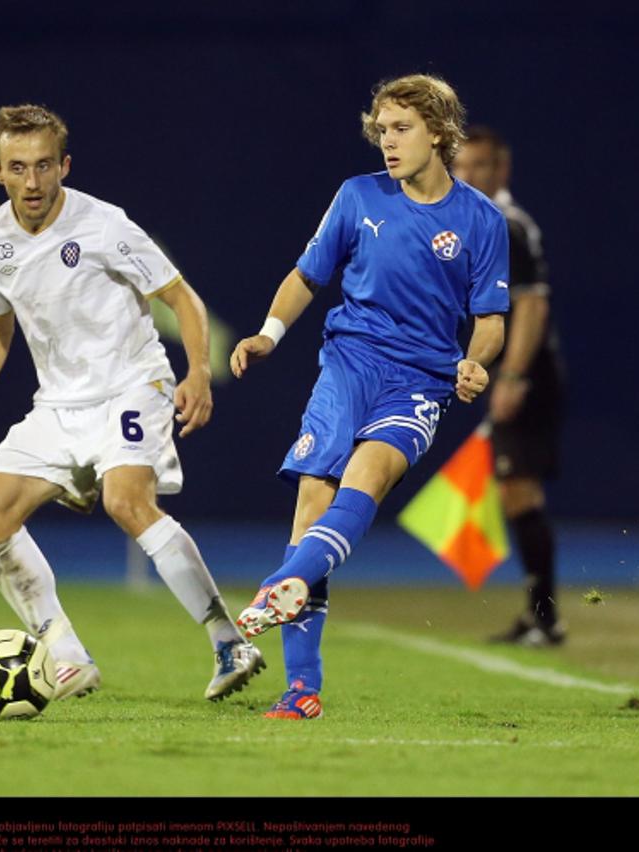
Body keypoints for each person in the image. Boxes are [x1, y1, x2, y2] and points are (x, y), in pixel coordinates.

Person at [0, 104, 264, 703]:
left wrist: (197, 372)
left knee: (125, 500)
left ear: (64, 166)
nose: (32, 182)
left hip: (131, 384)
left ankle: (229, 640)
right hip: (58, 405)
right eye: (17, 168)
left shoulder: (105, 225)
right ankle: (67, 655)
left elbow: (182, 299)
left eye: (44, 166)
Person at [229, 75, 509, 719]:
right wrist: (269, 335)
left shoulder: (481, 220)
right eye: (381, 129)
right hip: (349, 367)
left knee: (368, 476)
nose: (387, 141)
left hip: (420, 381)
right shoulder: (357, 197)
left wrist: (475, 362)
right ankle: (302, 688)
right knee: (311, 505)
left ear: (438, 131)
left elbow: (490, 318)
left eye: (401, 128)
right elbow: (308, 275)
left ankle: (279, 585)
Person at [453, 126, 567, 647]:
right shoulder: (475, 221)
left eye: (481, 166)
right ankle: (539, 614)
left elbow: (532, 304)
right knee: (513, 490)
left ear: (502, 171)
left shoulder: (507, 224)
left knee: (520, 489)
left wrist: (514, 376)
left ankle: (546, 618)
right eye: (463, 166)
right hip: (507, 374)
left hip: (528, 376)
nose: (470, 176)